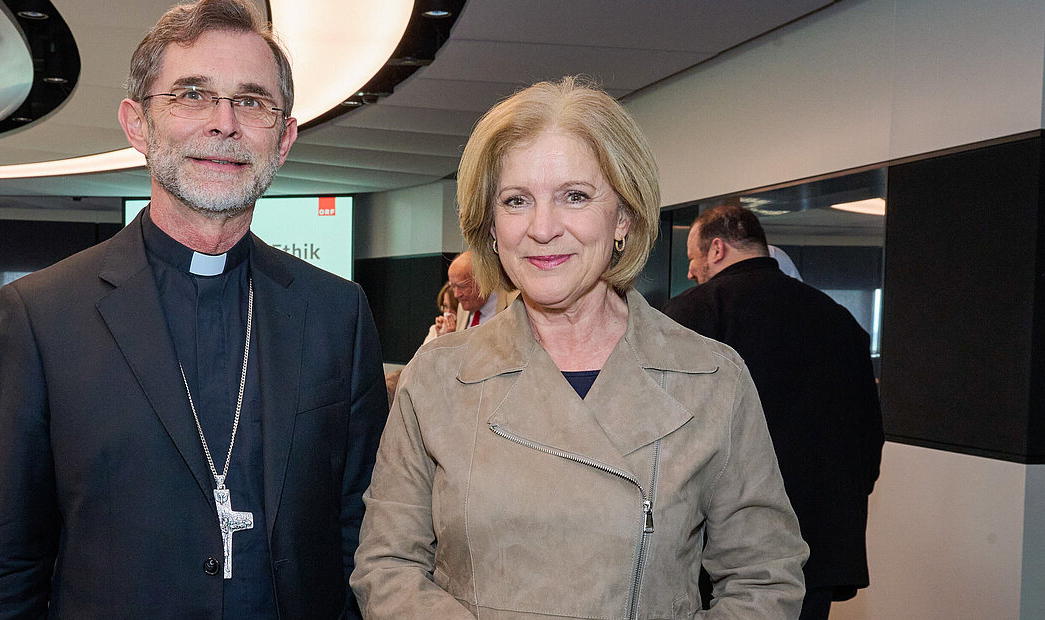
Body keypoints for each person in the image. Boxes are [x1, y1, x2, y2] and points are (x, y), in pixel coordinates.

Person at [0, 1, 390, 618]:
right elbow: (9, 561)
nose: (224, 123)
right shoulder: (43, 316)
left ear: (284, 138)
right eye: (192, 95)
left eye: (251, 102)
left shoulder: (337, 313)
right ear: (137, 125)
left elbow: (362, 527)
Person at [352, 77, 807, 619]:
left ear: (624, 218)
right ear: (492, 228)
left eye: (575, 196)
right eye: (516, 200)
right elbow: (386, 566)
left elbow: (764, 579)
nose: (543, 229)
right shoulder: (438, 379)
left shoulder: (709, 378)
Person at [664, 204, 884, 620]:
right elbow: (869, 439)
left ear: (716, 249)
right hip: (821, 542)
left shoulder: (690, 317)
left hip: (725, 554)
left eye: (693, 259)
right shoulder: (839, 320)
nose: (691, 271)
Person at [423, 251, 512, 344]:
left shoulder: (512, 305)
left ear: (481, 281)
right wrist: (447, 340)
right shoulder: (464, 307)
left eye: (461, 287)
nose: (456, 295)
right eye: (453, 287)